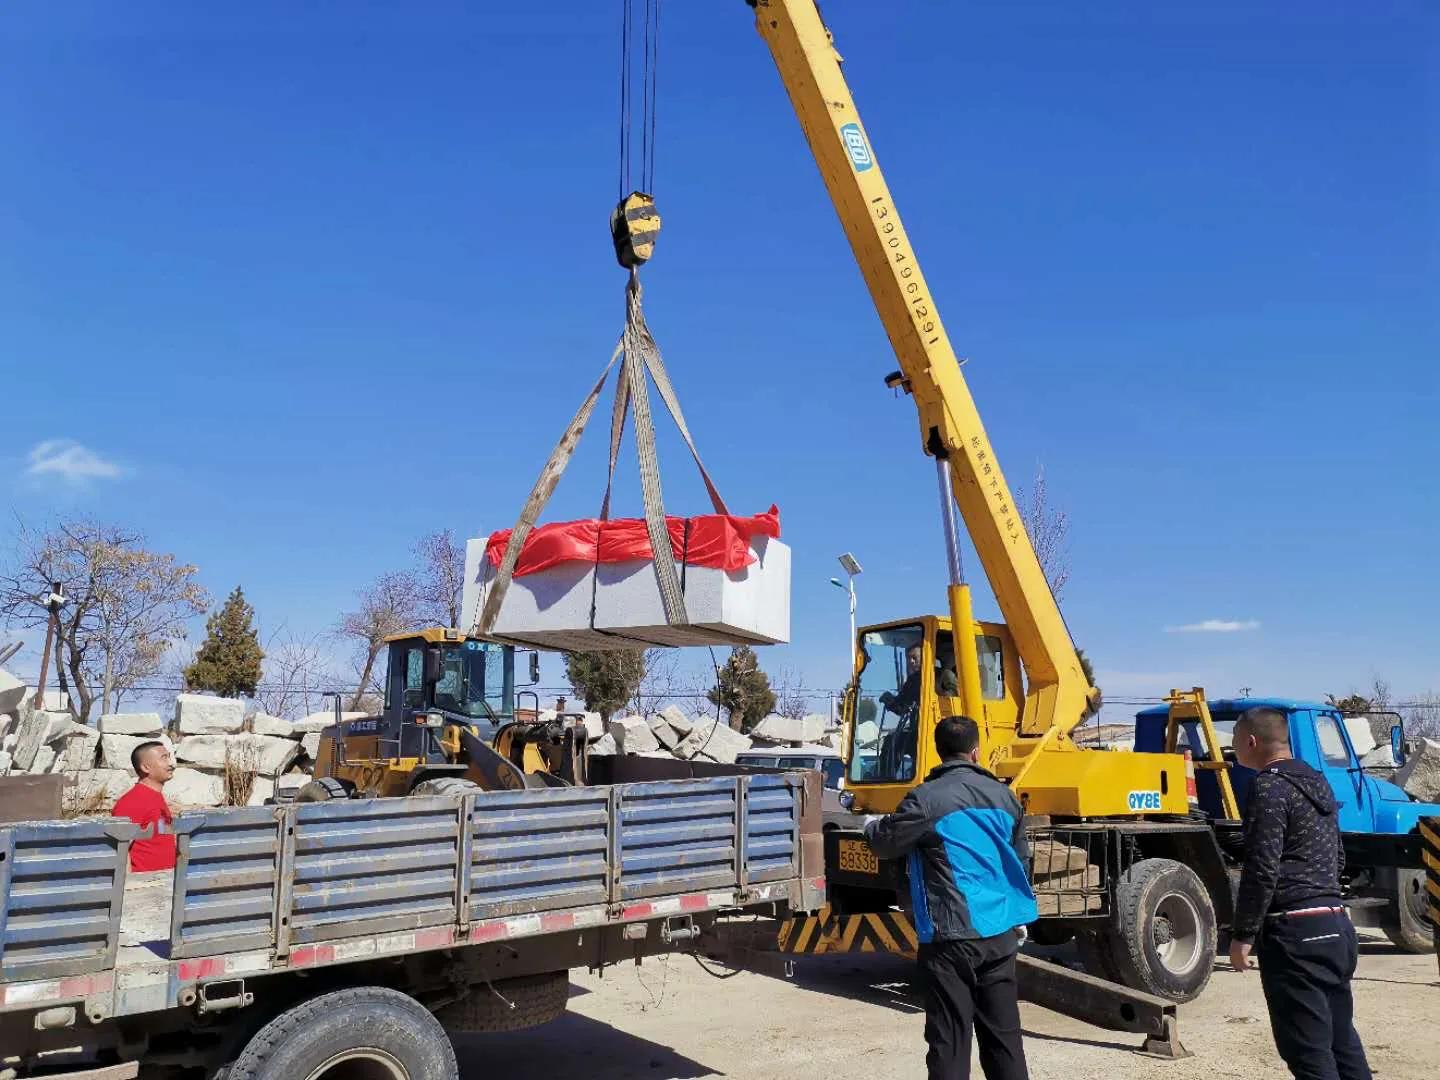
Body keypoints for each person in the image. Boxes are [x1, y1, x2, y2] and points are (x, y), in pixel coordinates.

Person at [865, 715, 1036, 1080]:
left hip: (950, 938)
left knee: (950, 1041)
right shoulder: (1006, 798)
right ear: (976, 751)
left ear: (939, 752)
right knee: (1004, 1040)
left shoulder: (926, 800)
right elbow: (1020, 860)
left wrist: (871, 826)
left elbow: (885, 843)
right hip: (1000, 934)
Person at [1229, 707, 1371, 1080]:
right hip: (1336, 926)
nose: (1232, 750)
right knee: (1342, 1041)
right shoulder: (1318, 782)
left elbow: (1262, 866)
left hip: (1295, 934)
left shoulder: (1268, 786)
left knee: (1308, 1052)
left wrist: (1242, 935)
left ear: (1251, 742)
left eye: (1234, 741)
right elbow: (1337, 854)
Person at [112, 740, 178, 872]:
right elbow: (120, 852)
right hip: (145, 886)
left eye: (169, 757)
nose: (171, 764)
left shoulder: (156, 796)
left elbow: (159, 833)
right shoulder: (132, 802)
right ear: (145, 767)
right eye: (164, 758)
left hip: (166, 881)